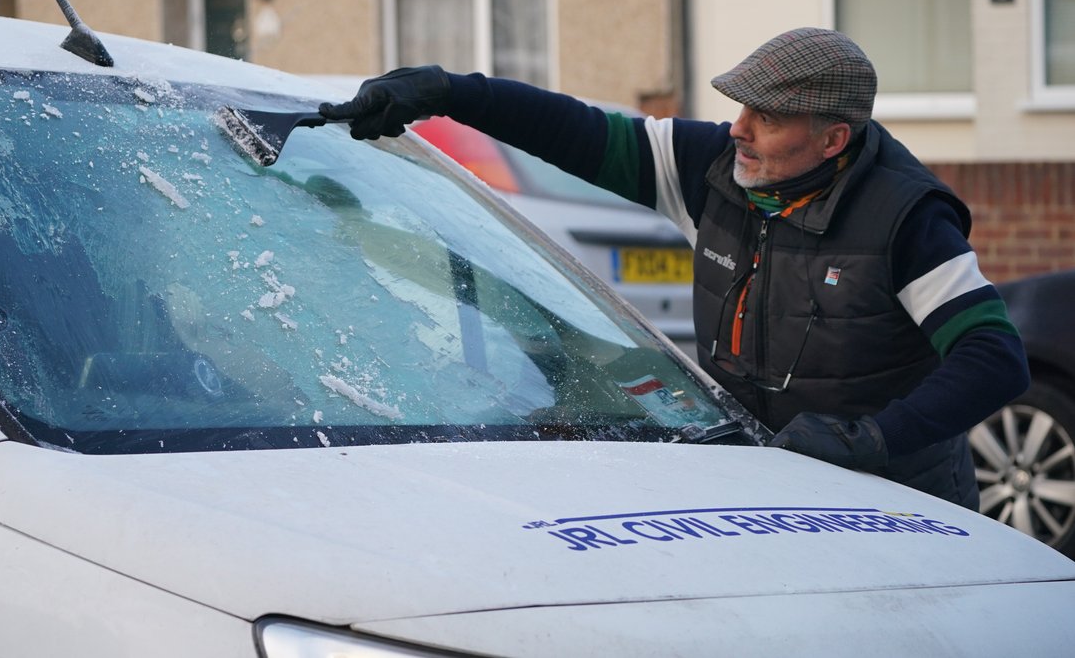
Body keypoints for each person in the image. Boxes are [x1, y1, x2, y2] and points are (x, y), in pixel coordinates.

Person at [317, 27, 1029, 510]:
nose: (738, 129)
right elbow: (573, 128)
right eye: (739, 107)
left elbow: (993, 357)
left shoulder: (904, 219)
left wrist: (872, 441)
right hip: (764, 478)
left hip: (898, 495)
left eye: (767, 117)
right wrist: (449, 92)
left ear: (832, 139)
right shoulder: (711, 168)